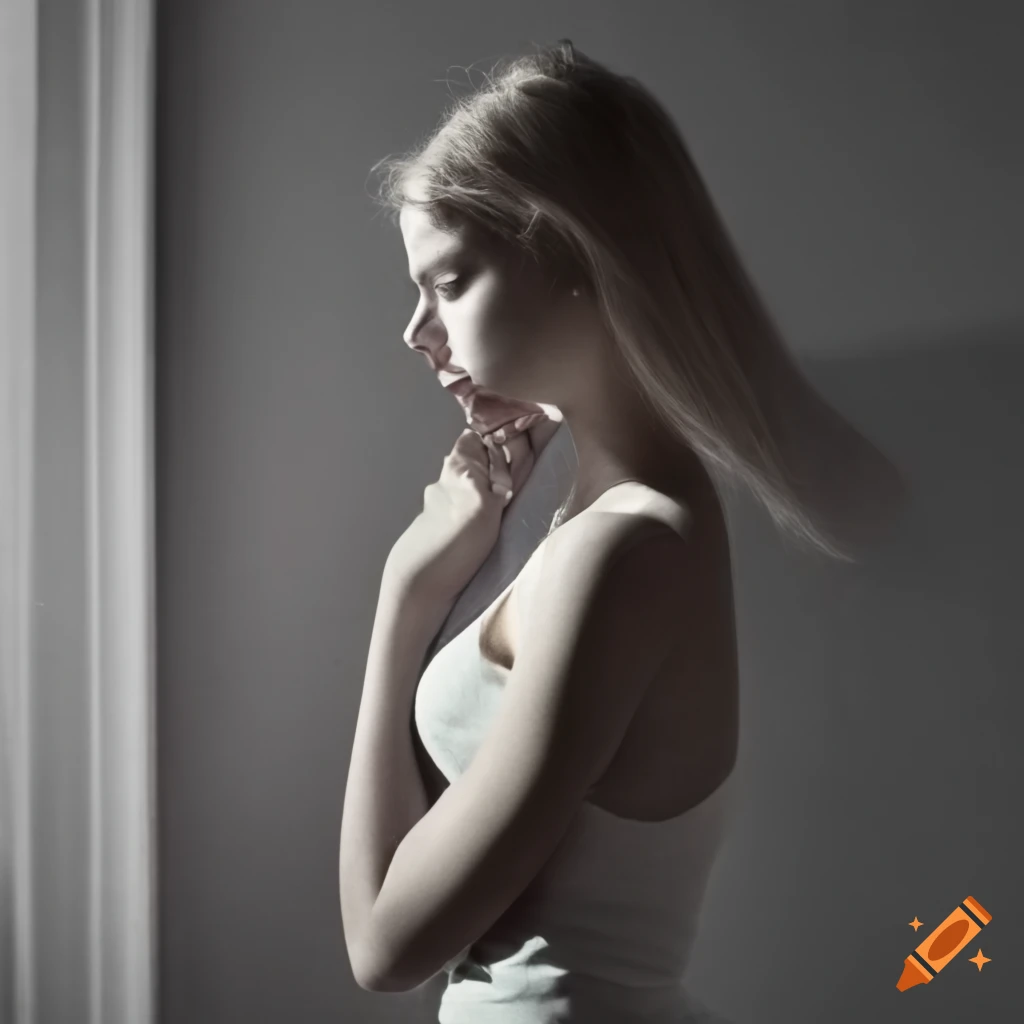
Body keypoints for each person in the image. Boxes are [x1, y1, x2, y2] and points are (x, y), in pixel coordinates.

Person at [351, 38, 905, 1022]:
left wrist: (405, 596)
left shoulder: (622, 552)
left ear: (572, 257)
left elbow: (385, 946)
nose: (414, 332)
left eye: (448, 280)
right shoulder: (592, 526)